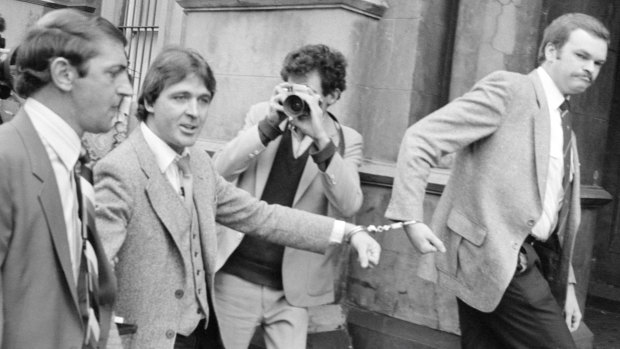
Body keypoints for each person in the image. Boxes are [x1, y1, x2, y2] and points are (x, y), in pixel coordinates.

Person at [94, 46, 380, 349]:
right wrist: (269, 125)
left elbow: (261, 215)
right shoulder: (119, 169)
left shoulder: (197, 163)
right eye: (180, 98)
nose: (194, 112)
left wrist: (349, 232)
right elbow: (92, 284)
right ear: (149, 101)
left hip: (225, 320)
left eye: (203, 100)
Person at [385, 13, 609, 349]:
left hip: (529, 260)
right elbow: (421, 139)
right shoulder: (510, 89)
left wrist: (570, 288)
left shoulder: (566, 127)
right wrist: (410, 218)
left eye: (598, 62)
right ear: (551, 51)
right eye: (582, 56)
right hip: (493, 260)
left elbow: (552, 215)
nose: (591, 68)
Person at [212, 43, 362, 349]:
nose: (297, 98)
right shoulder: (261, 116)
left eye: (307, 91)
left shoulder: (345, 141)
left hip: (293, 292)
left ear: (331, 97)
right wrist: (268, 126)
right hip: (235, 278)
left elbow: (349, 204)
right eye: (291, 87)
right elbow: (220, 170)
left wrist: (321, 139)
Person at [0, 8, 132, 349]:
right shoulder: (6, 159)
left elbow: (85, 292)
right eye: (114, 73)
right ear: (64, 74)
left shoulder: (76, 162)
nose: (128, 89)